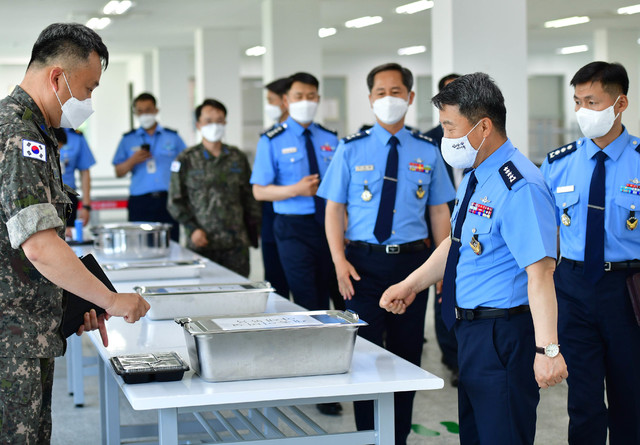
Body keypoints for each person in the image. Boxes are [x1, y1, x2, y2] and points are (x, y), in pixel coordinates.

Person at [380, 72, 568, 445]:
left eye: (450, 127)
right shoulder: (475, 176)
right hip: (472, 332)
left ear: (483, 127)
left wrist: (548, 349)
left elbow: (541, 273)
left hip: (504, 334)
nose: (445, 137)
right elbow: (456, 243)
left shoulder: (520, 186)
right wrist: (411, 284)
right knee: (476, 435)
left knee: (503, 435)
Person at [0, 22, 150, 444]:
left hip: (26, 329)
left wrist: (73, 298)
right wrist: (111, 300)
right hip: (11, 338)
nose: (88, 101)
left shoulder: (36, 134)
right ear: (56, 77)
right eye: (88, 88)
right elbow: (40, 246)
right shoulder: (19, 136)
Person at [317, 62, 455, 445]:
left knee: (407, 352)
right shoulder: (350, 148)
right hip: (361, 265)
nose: (388, 99)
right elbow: (333, 209)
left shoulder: (429, 151)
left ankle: (398, 434)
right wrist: (338, 260)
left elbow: (440, 210)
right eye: (381, 92)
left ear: (410, 98)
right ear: (370, 99)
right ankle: (367, 434)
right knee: (363, 353)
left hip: (412, 265)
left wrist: (442, 269)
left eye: (396, 92)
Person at [540, 61, 640, 445]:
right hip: (573, 286)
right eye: (578, 101)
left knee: (629, 396)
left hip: (627, 290)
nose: (583, 111)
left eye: (592, 101)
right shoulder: (557, 164)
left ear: (620, 104)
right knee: (583, 399)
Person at [251, 72, 343, 416]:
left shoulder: (332, 139)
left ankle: (347, 365)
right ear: (287, 100)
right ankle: (319, 383)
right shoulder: (271, 140)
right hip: (293, 227)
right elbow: (260, 190)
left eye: (313, 96)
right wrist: (295, 190)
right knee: (308, 302)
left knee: (341, 297)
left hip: (332, 227)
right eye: (300, 95)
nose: (307, 101)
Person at [168, 99, 260, 277]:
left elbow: (250, 197)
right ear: (198, 125)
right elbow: (175, 201)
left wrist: (254, 230)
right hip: (202, 243)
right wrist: (191, 229)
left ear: (225, 123)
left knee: (238, 292)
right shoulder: (185, 159)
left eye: (219, 121)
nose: (215, 126)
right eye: (209, 121)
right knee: (203, 294)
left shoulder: (237, 157)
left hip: (236, 244)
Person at [424, 73, 462, 387]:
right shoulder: (429, 142)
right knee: (442, 292)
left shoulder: (481, 134)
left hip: (476, 229)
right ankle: (453, 359)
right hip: (439, 232)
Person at [112, 92, 186, 241]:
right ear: (135, 113)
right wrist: (132, 161)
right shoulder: (128, 139)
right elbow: (118, 171)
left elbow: (187, 164)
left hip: (168, 200)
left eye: (148, 110)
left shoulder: (172, 137)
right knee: (140, 244)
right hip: (140, 201)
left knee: (171, 244)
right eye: (140, 111)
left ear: (156, 111)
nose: (144, 114)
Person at [259, 78, 291, 297]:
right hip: (272, 216)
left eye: (271, 100)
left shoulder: (320, 137)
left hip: (305, 222)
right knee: (276, 280)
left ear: (285, 101)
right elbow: (260, 187)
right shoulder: (269, 138)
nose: (268, 105)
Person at [52, 128, 95, 239]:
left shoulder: (76, 137)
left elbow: (85, 172)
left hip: (67, 197)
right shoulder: (36, 130)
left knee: (68, 236)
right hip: (45, 197)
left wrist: (86, 206)